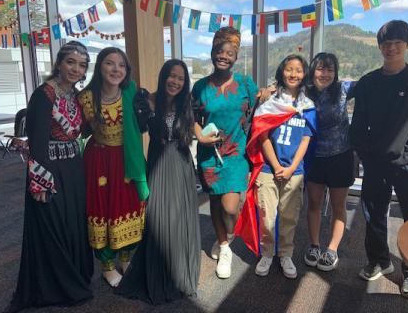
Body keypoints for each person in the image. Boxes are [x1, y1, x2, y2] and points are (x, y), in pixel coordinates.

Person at [350, 20, 408, 299]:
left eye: (397, 43)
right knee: (373, 214)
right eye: (386, 43)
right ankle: (379, 260)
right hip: (376, 164)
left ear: (407, 45)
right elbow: (358, 124)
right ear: (379, 47)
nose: (391, 48)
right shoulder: (368, 82)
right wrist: (366, 154)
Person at [8, 41, 93, 312]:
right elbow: (38, 142)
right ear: (59, 63)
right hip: (50, 170)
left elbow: (83, 131)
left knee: (71, 224)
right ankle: (57, 286)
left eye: (81, 65)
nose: (75, 69)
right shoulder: (43, 95)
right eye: (71, 62)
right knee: (52, 225)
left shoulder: (76, 96)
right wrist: (40, 181)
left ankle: (75, 277)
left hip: (73, 168)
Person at [116, 59, 200, 304]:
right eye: (171, 76)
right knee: (158, 220)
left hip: (183, 167)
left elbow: (196, 132)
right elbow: (134, 131)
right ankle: (158, 273)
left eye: (180, 78)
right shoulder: (147, 101)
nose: (175, 82)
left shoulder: (187, 103)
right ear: (163, 77)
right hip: (158, 166)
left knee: (180, 219)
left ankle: (180, 272)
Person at [79, 47, 148, 287]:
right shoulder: (86, 98)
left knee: (129, 206)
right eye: (110, 63)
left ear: (127, 71)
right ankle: (107, 266)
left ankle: (126, 258)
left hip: (127, 160)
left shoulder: (131, 92)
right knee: (103, 210)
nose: (116, 69)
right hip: (99, 163)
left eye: (121, 65)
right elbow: (77, 131)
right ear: (99, 66)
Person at [192, 26, 258, 279]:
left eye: (229, 53)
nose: (224, 56)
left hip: (236, 154)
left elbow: (259, 109)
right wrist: (198, 134)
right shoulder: (200, 87)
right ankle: (224, 246)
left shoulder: (245, 83)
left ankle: (227, 235)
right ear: (212, 53)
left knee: (230, 208)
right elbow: (191, 116)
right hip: (210, 155)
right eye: (220, 51)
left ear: (235, 57)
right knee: (216, 203)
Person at [247, 55, 316, 278]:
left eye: (298, 70)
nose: (293, 74)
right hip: (269, 170)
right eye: (289, 69)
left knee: (289, 216)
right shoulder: (270, 103)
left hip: (294, 172)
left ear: (304, 74)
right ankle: (267, 253)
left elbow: (306, 139)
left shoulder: (307, 105)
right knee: (267, 215)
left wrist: (291, 167)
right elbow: (262, 136)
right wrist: (276, 165)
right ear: (282, 71)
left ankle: (285, 254)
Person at [303, 53, 356, 272]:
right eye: (320, 69)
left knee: (338, 206)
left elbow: (373, 83)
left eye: (330, 70)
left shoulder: (344, 89)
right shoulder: (305, 93)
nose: (325, 74)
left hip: (340, 156)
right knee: (313, 203)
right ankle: (314, 245)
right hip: (314, 155)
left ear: (336, 73)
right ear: (313, 71)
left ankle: (332, 249)